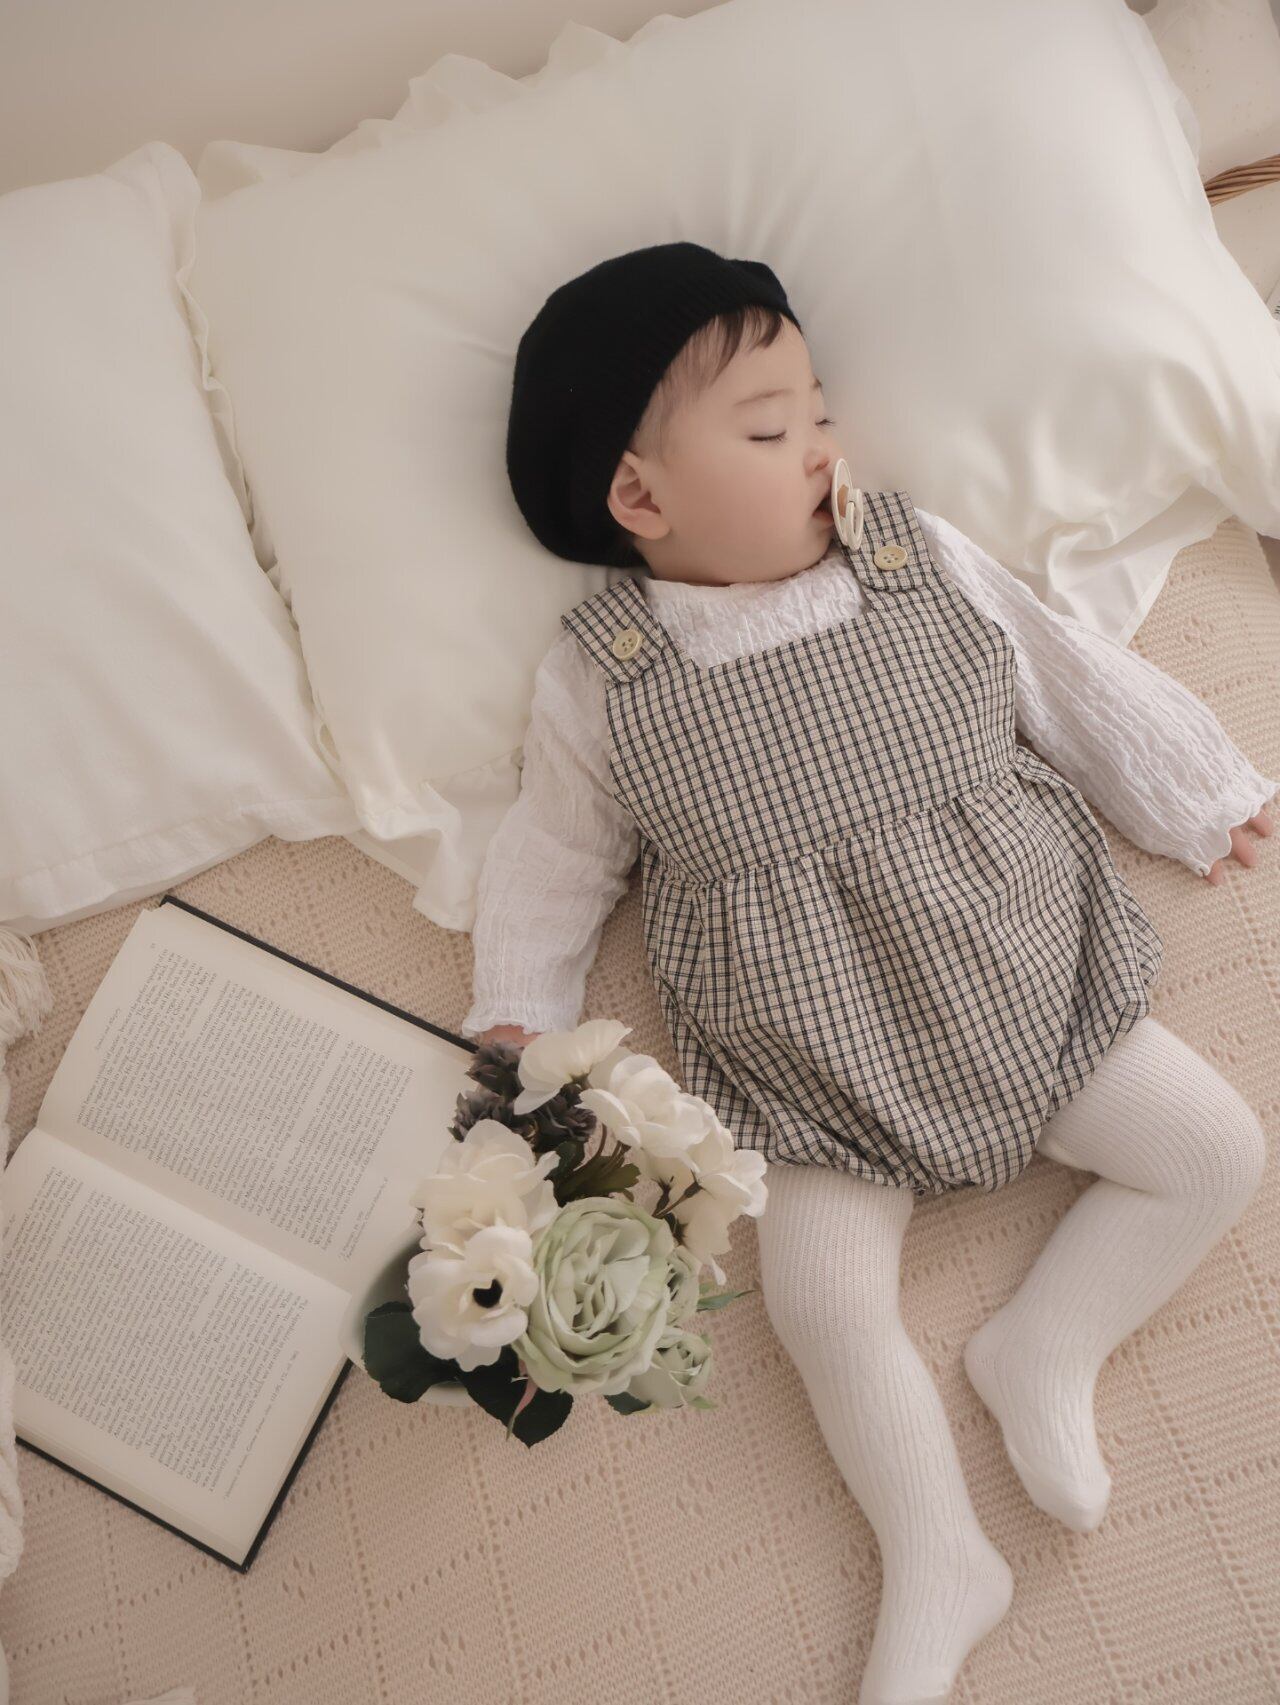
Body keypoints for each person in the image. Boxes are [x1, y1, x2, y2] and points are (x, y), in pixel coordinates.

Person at [464, 242, 1275, 1704]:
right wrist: (524, 1018)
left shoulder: (910, 555)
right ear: (639, 498)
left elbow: (1056, 668)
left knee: (1216, 1149)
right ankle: (939, 1550)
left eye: (821, 411)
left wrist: (1189, 785)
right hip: (809, 1054)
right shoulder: (606, 673)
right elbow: (555, 855)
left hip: (1019, 966)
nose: (822, 446)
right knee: (822, 1305)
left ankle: (1045, 1344)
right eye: (773, 427)